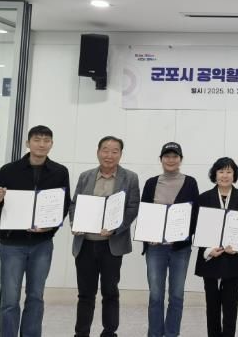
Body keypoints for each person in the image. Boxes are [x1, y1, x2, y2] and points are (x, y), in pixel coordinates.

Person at [0, 125, 70, 337]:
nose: (42, 144)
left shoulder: (60, 172)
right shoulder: (8, 170)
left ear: (51, 144)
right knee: (10, 299)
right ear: (28, 143)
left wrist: (51, 226)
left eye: (46, 140)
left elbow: (63, 205)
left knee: (35, 297)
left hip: (42, 244)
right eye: (37, 140)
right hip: (12, 245)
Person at [70, 135, 140, 337]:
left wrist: (116, 228)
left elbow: (133, 207)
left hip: (112, 245)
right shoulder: (85, 176)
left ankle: (109, 333)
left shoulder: (130, 178)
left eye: (114, 151)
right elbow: (74, 204)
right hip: (85, 244)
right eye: (105, 150)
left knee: (110, 292)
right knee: (85, 294)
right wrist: (75, 223)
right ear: (98, 152)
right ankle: (81, 333)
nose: (109, 155)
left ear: (120, 154)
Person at [141, 142, 199, 337]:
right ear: (161, 159)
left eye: (175, 156)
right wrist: (149, 235)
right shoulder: (151, 183)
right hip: (155, 248)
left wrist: (181, 237)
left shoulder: (190, 182)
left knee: (176, 295)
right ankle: (154, 334)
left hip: (180, 248)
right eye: (167, 156)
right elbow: (144, 213)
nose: (171, 160)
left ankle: (172, 334)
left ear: (181, 159)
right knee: (155, 296)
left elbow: (195, 214)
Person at [195, 157, 238, 337]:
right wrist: (207, 250)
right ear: (215, 174)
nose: (225, 175)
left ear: (234, 175)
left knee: (231, 306)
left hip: (233, 259)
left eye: (229, 171)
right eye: (221, 171)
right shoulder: (203, 198)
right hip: (210, 259)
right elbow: (196, 227)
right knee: (212, 306)